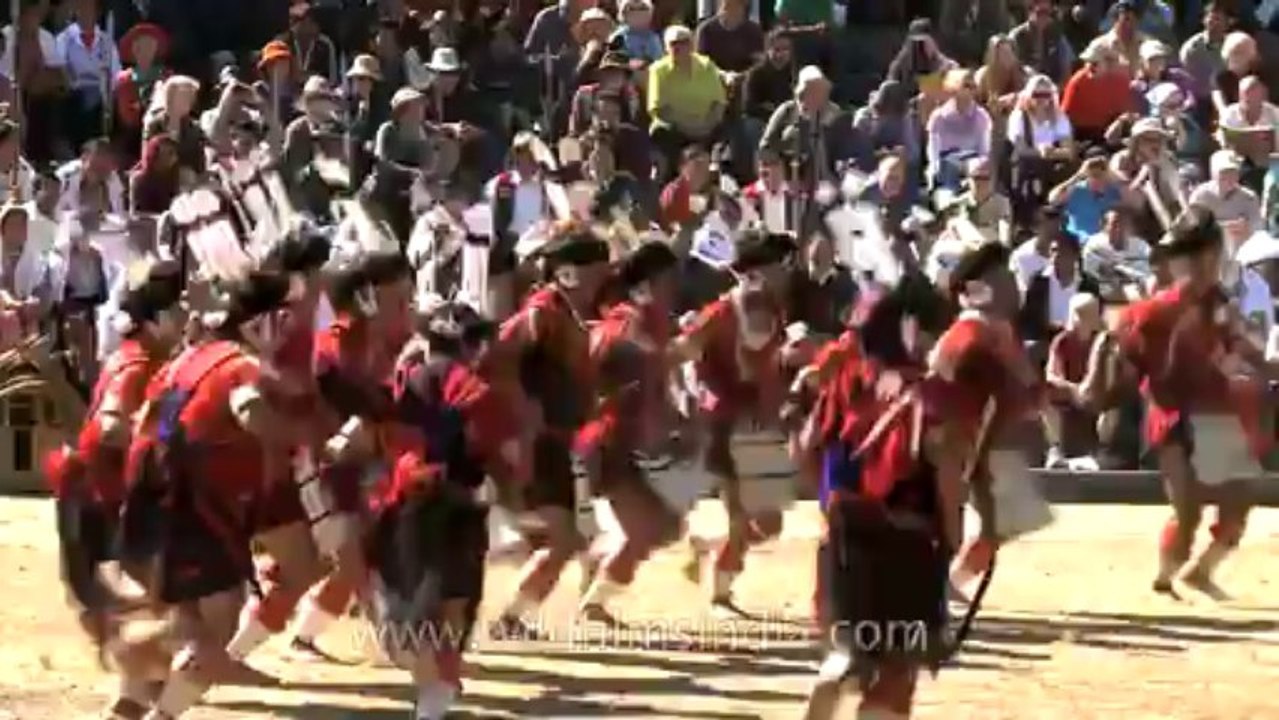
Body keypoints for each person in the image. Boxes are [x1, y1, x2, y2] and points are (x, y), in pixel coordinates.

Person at [122, 270, 299, 720]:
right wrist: (290, 440)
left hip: (148, 499)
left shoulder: (188, 357)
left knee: (189, 620)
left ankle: (127, 709)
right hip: (193, 504)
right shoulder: (244, 365)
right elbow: (249, 408)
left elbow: (144, 420)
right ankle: (148, 681)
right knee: (212, 626)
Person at [372, 299, 524, 720]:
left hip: (402, 507)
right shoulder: (473, 386)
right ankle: (432, 705)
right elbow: (501, 452)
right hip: (455, 508)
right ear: (470, 345)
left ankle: (432, 694)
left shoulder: (403, 377)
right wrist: (508, 497)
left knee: (416, 613)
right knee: (451, 609)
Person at [44, 258, 183, 719]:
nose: (186, 321)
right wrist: (160, 444)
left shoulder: (134, 356)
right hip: (102, 505)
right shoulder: (140, 364)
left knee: (151, 641)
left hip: (97, 500)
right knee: (157, 625)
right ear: (158, 319)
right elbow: (110, 428)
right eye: (179, 312)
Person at [1114, 208, 1274, 599]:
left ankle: (1199, 572)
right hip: (1173, 416)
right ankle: (1166, 577)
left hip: (1219, 413)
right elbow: (1128, 362)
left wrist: (1246, 358)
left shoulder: (1220, 304)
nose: (1201, 264)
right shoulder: (1153, 312)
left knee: (1238, 505)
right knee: (1188, 511)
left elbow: (1240, 351)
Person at [487, 226, 612, 638]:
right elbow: (496, 362)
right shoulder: (543, 313)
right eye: (595, 270)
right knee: (563, 540)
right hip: (537, 444)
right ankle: (508, 618)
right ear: (572, 272)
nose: (602, 278)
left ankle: (513, 617)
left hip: (560, 442)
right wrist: (522, 416)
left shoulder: (574, 316)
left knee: (566, 540)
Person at [671, 230, 796, 611]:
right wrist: (686, 391)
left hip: (758, 424)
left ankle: (708, 547)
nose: (787, 271)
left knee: (769, 523)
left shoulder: (774, 309)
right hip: (724, 423)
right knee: (743, 517)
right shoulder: (722, 312)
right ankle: (720, 594)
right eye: (779, 264)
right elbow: (681, 351)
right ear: (758, 271)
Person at [575, 241, 683, 623]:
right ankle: (593, 601)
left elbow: (658, 388)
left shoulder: (653, 324)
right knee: (648, 530)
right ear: (650, 283)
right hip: (608, 442)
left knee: (668, 527)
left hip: (627, 443)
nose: (675, 288)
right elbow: (597, 357)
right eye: (668, 280)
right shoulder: (624, 322)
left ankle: (599, 558)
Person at [1043, 293, 1113, 468]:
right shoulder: (1062, 341)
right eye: (1086, 314)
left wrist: (1092, 391)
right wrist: (1074, 390)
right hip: (1071, 394)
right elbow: (1051, 374)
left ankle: (1102, 453)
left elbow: (1111, 374)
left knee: (1113, 408)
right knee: (1044, 398)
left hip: (1098, 395)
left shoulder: (1105, 340)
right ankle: (1055, 450)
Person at [647, 25, 727, 177]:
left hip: (706, 126)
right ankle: (668, 182)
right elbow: (659, 110)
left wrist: (707, 125)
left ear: (692, 45)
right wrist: (688, 128)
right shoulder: (658, 70)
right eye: (673, 44)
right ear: (666, 48)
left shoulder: (707, 66)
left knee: (728, 134)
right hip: (675, 128)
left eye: (684, 42)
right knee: (662, 133)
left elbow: (719, 103)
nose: (678, 47)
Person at [759, 65, 850, 189]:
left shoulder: (835, 115)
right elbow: (765, 148)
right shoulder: (786, 111)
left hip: (827, 182)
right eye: (805, 93)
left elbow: (843, 154)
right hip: (789, 179)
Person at [56, 0, 121, 153]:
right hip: (73, 94)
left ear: (97, 12)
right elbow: (60, 69)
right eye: (81, 7)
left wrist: (108, 93)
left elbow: (116, 73)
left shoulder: (107, 40)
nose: (85, 11)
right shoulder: (64, 39)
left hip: (101, 93)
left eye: (89, 8)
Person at [1048, 150, 1138, 244]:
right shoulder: (1075, 189)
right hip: (1076, 243)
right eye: (1093, 173)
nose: (1097, 175)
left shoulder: (1115, 190)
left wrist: (1112, 175)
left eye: (1102, 170)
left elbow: (1136, 204)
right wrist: (1078, 175)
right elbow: (1053, 200)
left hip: (1104, 244)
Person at [113, 22, 170, 164]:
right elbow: (127, 116)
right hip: (133, 134)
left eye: (150, 46)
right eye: (140, 47)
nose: (145, 51)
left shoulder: (166, 76)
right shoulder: (125, 79)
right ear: (133, 51)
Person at [926, 69, 992, 192]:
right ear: (954, 87)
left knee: (978, 167)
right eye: (966, 86)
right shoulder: (938, 116)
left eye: (973, 86)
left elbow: (984, 149)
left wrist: (982, 164)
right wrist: (934, 168)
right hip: (946, 160)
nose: (971, 90)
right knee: (948, 166)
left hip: (972, 159)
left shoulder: (981, 116)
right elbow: (933, 150)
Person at [1061, 43, 1136, 148]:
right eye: (1088, 62)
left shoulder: (1121, 80)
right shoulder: (1078, 81)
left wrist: (1120, 122)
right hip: (1083, 134)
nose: (1090, 67)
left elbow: (1131, 113)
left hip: (1112, 130)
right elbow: (1064, 117)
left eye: (1095, 63)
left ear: (1109, 63)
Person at [1083, 206, 1153, 299]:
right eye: (1115, 224)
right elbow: (1097, 274)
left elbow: (1154, 263)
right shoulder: (1094, 245)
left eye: (1123, 223)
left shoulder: (1140, 244)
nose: (1120, 228)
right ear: (1104, 226)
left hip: (1144, 286)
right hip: (1112, 291)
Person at [1189, 150, 1263, 236]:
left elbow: (1257, 228)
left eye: (1233, 172)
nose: (1230, 178)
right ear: (1214, 175)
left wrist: (1246, 227)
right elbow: (1192, 225)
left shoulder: (1249, 198)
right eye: (1224, 173)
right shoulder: (1201, 195)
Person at [1009, 0, 1075, 85]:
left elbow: (1066, 67)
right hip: (1023, 88)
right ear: (1030, 11)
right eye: (1040, 13)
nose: (1044, 17)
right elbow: (1011, 69)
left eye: (1047, 13)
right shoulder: (1017, 36)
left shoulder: (1057, 36)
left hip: (1051, 88)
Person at [695, 0, 765, 75]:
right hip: (713, 81)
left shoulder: (754, 31)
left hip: (745, 83)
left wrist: (739, 77)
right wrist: (723, 75)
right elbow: (701, 63)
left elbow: (758, 65)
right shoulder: (706, 30)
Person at [128, 134, 180, 215]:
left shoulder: (173, 178)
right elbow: (136, 213)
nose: (174, 158)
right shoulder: (139, 181)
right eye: (170, 153)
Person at [612, 0, 664, 66]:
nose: (637, 13)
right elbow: (613, 58)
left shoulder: (652, 38)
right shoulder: (619, 35)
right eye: (631, 9)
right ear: (623, 15)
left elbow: (658, 60)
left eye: (642, 9)